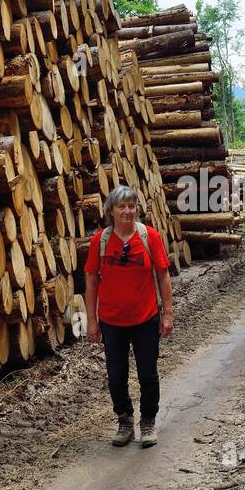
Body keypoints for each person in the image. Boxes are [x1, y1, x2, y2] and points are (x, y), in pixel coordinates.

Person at [84, 185, 174, 447]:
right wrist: (91, 320)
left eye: (131, 206)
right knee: (115, 376)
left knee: (148, 374)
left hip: (145, 319)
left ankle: (147, 422)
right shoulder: (99, 241)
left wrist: (167, 313)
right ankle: (124, 421)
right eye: (121, 206)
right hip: (112, 322)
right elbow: (91, 279)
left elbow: (163, 274)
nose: (127, 211)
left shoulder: (150, 237)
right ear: (110, 211)